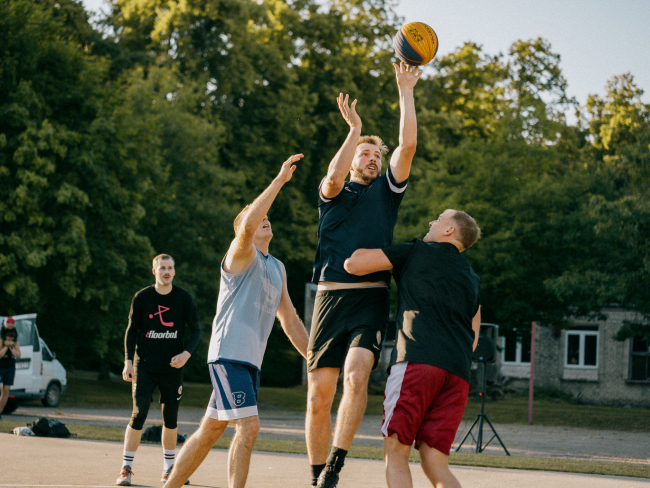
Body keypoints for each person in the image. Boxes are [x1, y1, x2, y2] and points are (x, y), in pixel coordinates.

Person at [306, 62, 421, 488]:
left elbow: (406, 147)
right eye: (366, 154)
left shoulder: (385, 195)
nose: (373, 159)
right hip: (329, 298)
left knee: (356, 375)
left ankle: (336, 463)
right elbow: (334, 175)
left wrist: (404, 89)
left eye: (377, 155)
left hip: (371, 298)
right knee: (319, 397)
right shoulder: (332, 195)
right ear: (354, 156)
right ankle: (316, 474)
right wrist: (354, 130)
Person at [163, 154, 309, 488]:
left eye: (267, 217)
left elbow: (290, 319)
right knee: (249, 426)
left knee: (210, 430)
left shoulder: (278, 267)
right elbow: (246, 225)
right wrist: (279, 181)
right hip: (229, 354)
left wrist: (315, 359)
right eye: (259, 218)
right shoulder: (240, 254)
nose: (265, 219)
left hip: (248, 362)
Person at [343, 209, 482, 488]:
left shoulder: (417, 251)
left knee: (396, 452)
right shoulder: (471, 277)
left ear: (449, 230)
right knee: (435, 461)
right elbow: (474, 337)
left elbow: (353, 265)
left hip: (417, 362)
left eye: (439, 219)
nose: (432, 222)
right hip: (457, 374)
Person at [116, 254, 202, 486]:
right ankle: (126, 468)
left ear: (174, 271)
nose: (166, 271)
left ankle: (168, 470)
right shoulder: (142, 297)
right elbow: (131, 330)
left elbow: (196, 330)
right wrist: (127, 361)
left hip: (172, 367)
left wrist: (186, 354)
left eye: (170, 268)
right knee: (139, 413)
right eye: (162, 267)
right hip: (144, 364)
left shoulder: (184, 298)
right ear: (154, 271)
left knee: (170, 418)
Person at [0, 317, 21, 420]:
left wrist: (11, 347)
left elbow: (18, 355)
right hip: (0, 366)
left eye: (11, 340)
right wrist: (5, 346)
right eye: (8, 339)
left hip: (10, 367)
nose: (9, 341)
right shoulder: (1, 340)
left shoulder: (15, 342)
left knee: (6, 390)